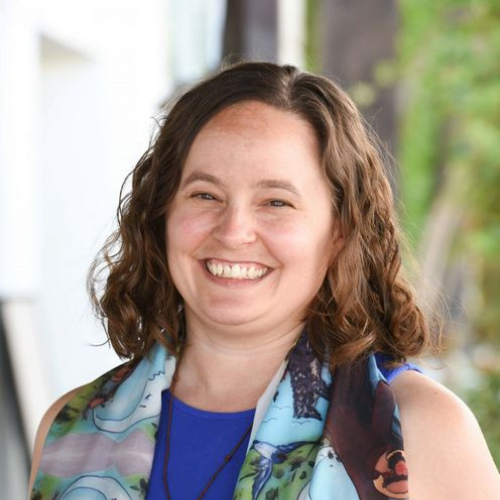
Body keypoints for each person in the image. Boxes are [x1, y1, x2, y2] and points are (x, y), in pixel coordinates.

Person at [29, 62, 500, 500]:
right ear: (162, 214)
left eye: (276, 202)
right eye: (205, 194)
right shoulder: (70, 428)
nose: (233, 231)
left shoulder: (420, 430)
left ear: (339, 232)